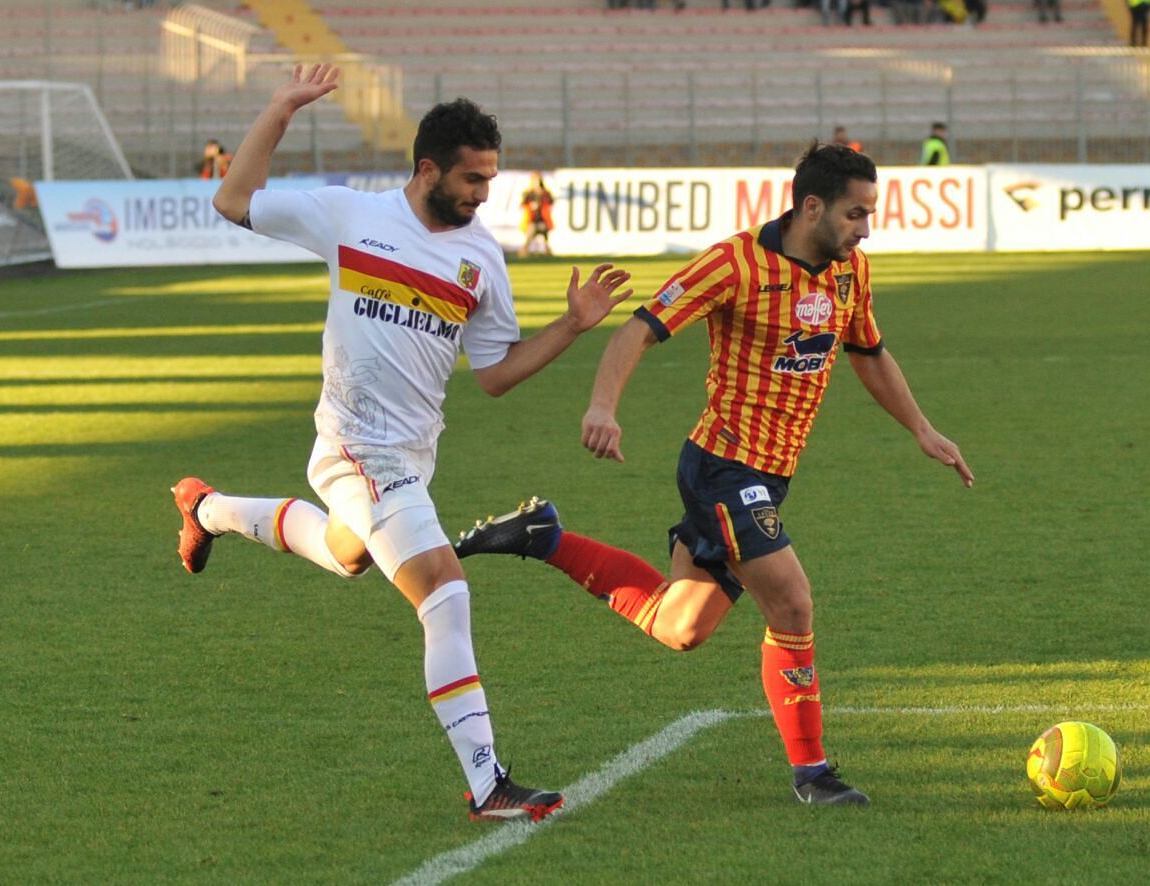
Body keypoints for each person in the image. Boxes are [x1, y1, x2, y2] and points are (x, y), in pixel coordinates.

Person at [172, 64, 633, 823]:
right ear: (427, 169)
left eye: (490, 179)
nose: (484, 193)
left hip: (414, 454)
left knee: (347, 554)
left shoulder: (482, 259)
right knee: (445, 593)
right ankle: (487, 783)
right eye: (472, 178)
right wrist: (282, 108)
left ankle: (208, 509)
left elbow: (495, 374)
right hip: (356, 445)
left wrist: (572, 326)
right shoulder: (349, 215)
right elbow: (232, 200)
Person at [453, 143, 974, 806]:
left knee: (680, 627)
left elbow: (867, 352)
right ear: (812, 207)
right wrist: (602, 407)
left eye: (869, 214)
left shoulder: (850, 272)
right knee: (792, 602)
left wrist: (921, 428)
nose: (865, 229)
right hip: (723, 467)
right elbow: (638, 331)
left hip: (769, 476)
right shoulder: (735, 263)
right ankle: (812, 773)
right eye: (855, 214)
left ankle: (543, 536)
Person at [519, 172, 555, 258]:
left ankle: (547, 252)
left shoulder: (545, 193)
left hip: (543, 220)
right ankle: (524, 252)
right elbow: (523, 204)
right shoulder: (528, 193)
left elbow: (551, 202)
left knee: (545, 237)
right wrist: (530, 205)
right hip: (531, 221)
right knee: (530, 234)